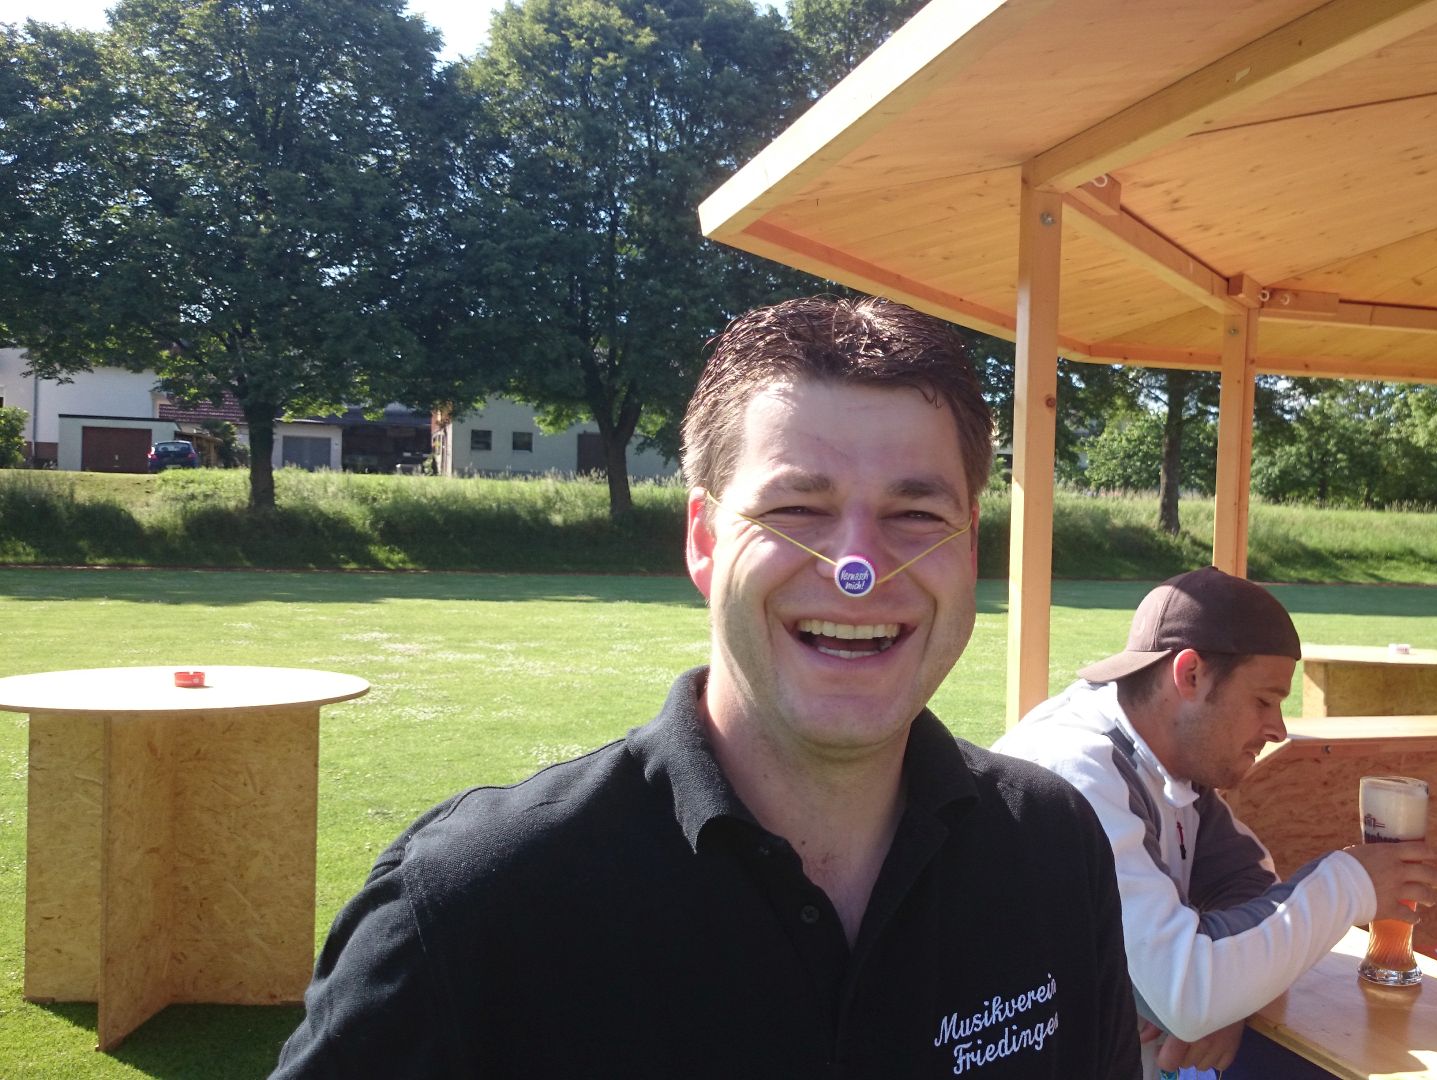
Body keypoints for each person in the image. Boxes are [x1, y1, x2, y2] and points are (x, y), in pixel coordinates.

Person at [273, 297, 1139, 1078]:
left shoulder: (1053, 848)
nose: (858, 569)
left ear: (969, 549)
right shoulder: (471, 905)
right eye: (796, 509)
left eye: (917, 514)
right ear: (703, 539)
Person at [993, 567, 1437, 1079]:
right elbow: (1188, 991)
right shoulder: (1075, 772)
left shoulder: (1165, 758)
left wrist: (1228, 997)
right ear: (1190, 675)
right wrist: (1352, 883)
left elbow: (1246, 886)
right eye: (1264, 701)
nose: (1277, 729)